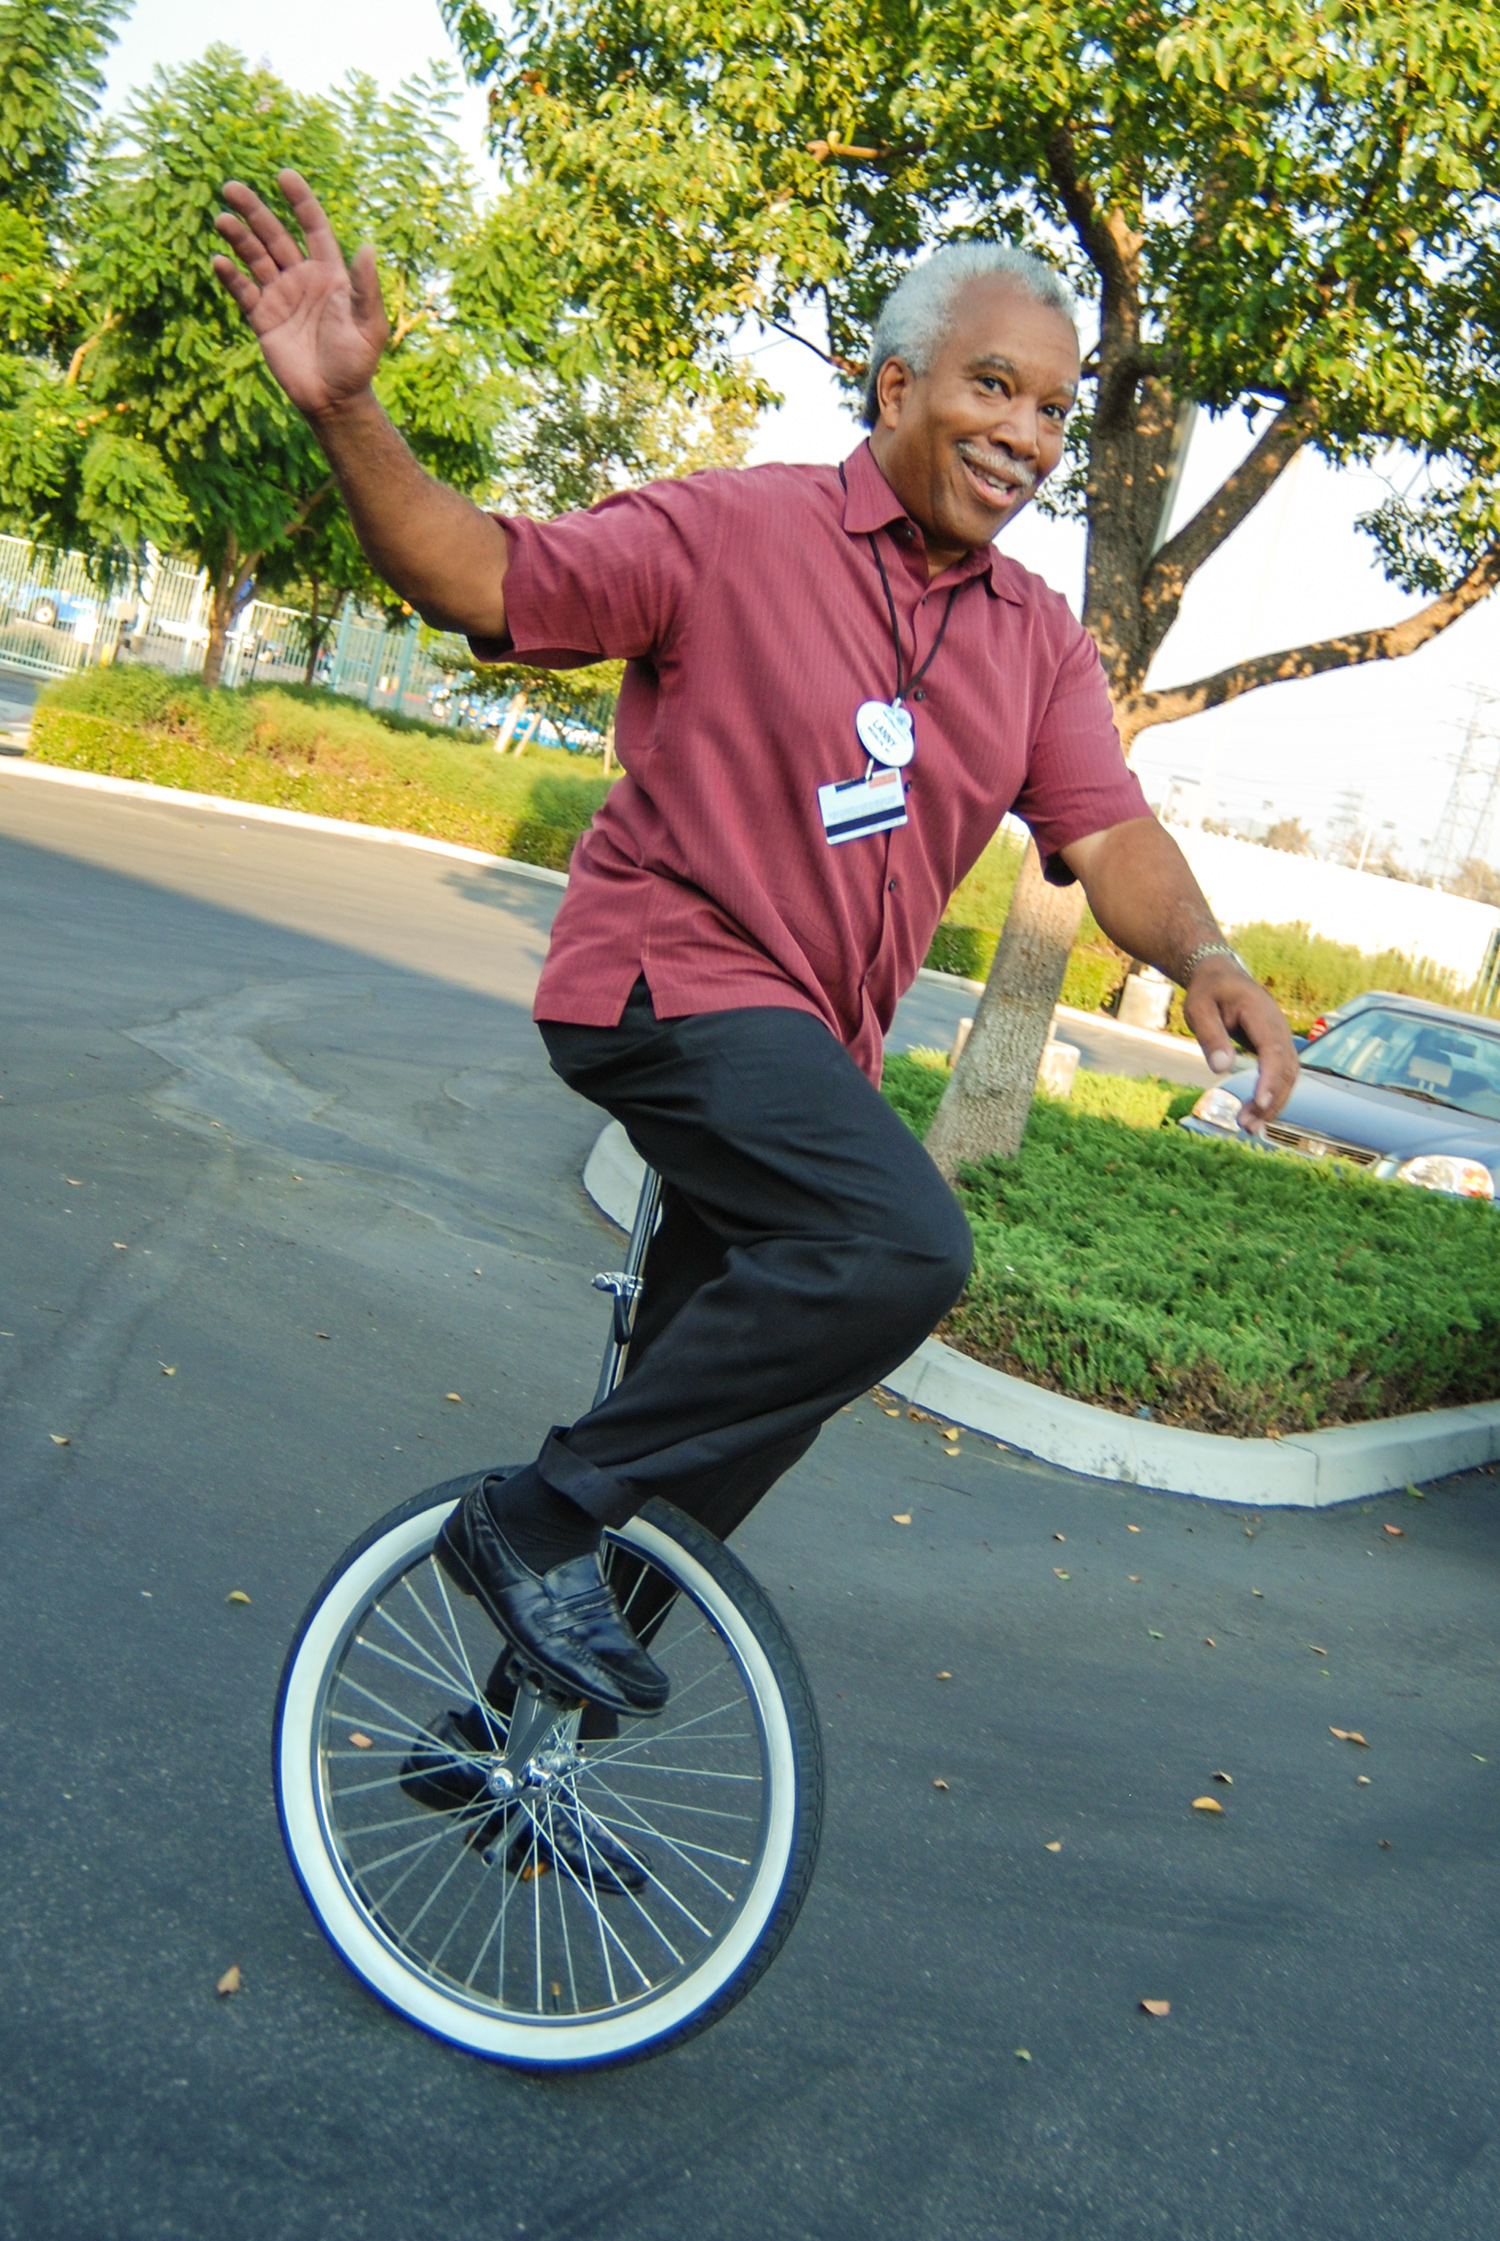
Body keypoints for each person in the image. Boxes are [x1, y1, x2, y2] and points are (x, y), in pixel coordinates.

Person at [213, 173, 1298, 1721]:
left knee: (714, 1437)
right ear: (895, 385)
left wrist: (1204, 953)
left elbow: (1110, 834)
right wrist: (346, 412)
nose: (1030, 436)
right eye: (995, 387)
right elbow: (482, 574)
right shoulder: (736, 530)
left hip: (803, 1057)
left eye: (1055, 410)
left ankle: (516, 1743)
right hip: (669, 986)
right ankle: (523, 1521)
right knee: (907, 1245)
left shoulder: (1036, 637)